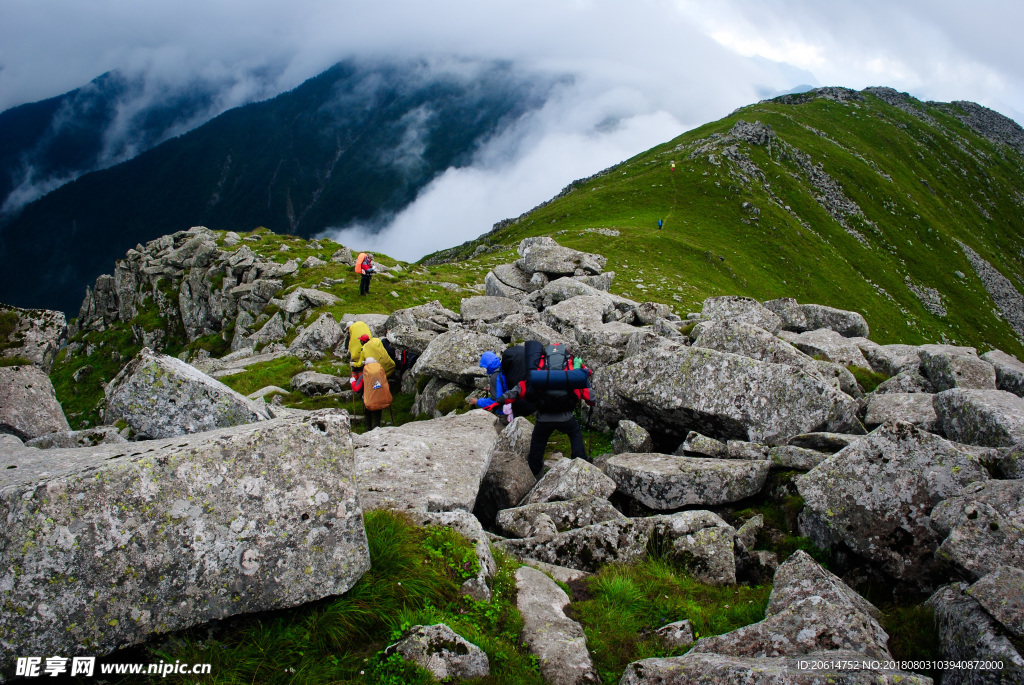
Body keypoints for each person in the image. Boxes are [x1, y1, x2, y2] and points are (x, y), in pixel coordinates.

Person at [496, 344, 591, 478]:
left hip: (543, 418)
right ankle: (580, 465)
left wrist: (498, 401)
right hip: (566, 417)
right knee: (575, 432)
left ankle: (533, 474)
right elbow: (587, 394)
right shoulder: (570, 369)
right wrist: (591, 401)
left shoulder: (540, 367)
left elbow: (520, 389)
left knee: (538, 441)